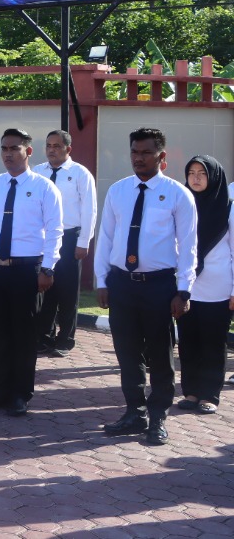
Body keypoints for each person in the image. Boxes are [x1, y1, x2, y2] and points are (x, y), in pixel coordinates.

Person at [96, 127, 198, 445]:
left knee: (159, 354)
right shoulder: (118, 191)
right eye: (134, 152)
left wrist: (184, 291)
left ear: (161, 156)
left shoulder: (178, 195)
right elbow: (106, 238)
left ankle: (158, 418)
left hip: (159, 285)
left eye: (145, 153)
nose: (138, 159)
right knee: (127, 353)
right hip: (122, 284)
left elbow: (189, 246)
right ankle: (134, 412)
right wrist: (102, 280)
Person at [0, 129, 62, 417]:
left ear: (28, 151)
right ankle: (0, 390)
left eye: (14, 148)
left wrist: (48, 267)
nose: (8, 154)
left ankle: (21, 393)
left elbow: (55, 231)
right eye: (4, 148)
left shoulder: (45, 187)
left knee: (23, 335)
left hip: (27, 269)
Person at [176, 156, 233, 415]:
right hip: (186, 286)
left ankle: (210, 394)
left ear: (214, 177)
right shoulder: (181, 203)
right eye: (191, 172)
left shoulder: (228, 208)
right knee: (188, 341)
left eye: (202, 173)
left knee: (213, 342)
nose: (196, 178)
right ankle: (190, 392)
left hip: (219, 287)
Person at [33, 130, 98, 357]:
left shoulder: (80, 173)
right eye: (49, 145)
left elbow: (89, 209)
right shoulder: (37, 172)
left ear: (68, 149)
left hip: (70, 237)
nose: (52, 150)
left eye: (57, 146)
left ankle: (65, 339)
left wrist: (84, 242)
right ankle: (44, 336)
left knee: (67, 291)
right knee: (44, 288)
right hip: (44, 238)